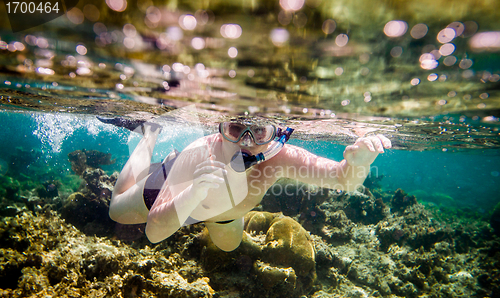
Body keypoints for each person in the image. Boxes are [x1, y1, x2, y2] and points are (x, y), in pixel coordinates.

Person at [100, 116, 391, 251]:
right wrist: (195, 191)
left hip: (227, 215)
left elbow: (343, 179)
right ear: (222, 128)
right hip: (170, 188)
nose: (246, 144)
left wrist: (359, 163)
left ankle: (217, 217)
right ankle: (148, 132)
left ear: (277, 134)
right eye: (236, 129)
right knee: (116, 210)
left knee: (229, 246)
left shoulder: (282, 158)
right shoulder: (201, 152)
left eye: (259, 132)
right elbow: (154, 232)